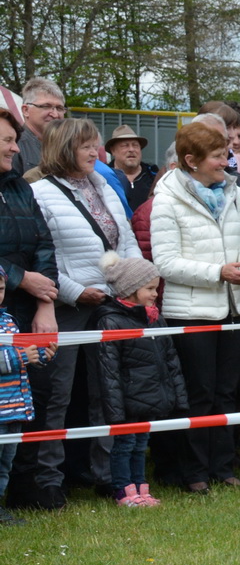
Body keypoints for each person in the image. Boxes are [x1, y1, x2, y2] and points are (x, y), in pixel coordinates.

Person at [25, 117, 139, 508]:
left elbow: (125, 238)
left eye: (96, 146)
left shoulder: (102, 184)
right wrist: (74, 292)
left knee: (107, 393)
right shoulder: (39, 192)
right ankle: (48, 481)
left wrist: (136, 286)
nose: (96, 152)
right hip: (66, 307)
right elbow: (42, 253)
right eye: (86, 146)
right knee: (56, 395)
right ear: (63, 149)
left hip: (112, 303)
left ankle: (107, 475)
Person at [151, 119, 240, 493]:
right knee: (198, 395)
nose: (226, 162)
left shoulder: (233, 189)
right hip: (191, 312)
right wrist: (219, 272)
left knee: (227, 392)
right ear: (191, 160)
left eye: (227, 155)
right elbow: (165, 262)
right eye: (218, 156)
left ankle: (223, 465)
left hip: (235, 308)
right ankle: (195, 472)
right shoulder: (166, 198)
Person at [91, 251, 184, 506]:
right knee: (124, 444)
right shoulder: (110, 322)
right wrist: (116, 408)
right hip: (126, 400)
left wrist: (177, 395)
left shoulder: (155, 320)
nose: (155, 293)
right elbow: (109, 371)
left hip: (148, 398)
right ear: (130, 289)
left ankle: (142, 488)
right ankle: (123, 489)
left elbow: (170, 359)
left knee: (141, 443)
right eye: (150, 288)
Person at [0, 110, 58, 339]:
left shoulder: (20, 186)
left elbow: (44, 244)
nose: (16, 148)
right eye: (8, 141)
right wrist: (21, 279)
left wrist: (46, 304)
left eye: (16, 140)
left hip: (28, 317)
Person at [0, 274, 46, 524]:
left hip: (14, 408)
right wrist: (21, 356)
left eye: (1, 288)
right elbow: (17, 356)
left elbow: (23, 354)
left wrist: (42, 353)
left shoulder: (8, 321)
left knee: (5, 463)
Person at [15, 76, 67, 173]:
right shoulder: (14, 146)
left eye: (59, 108)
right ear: (26, 110)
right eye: (46, 106)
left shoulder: (66, 146)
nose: (55, 114)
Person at [106, 126, 158, 211]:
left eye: (135, 145)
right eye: (125, 146)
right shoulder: (103, 177)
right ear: (113, 150)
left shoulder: (154, 174)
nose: (131, 149)